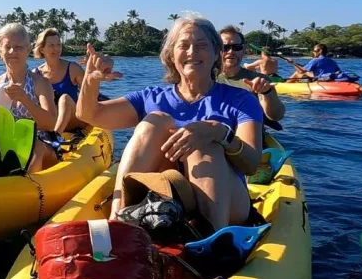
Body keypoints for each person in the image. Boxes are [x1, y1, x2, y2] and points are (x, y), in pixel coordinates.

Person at [75, 14, 263, 231]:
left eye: (201, 45)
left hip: (227, 205)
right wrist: (90, 80)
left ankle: (211, 239)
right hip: (165, 197)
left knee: (205, 146)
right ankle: (119, 224)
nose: (192, 52)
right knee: (155, 121)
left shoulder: (241, 100)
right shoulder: (152, 98)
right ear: (171, 55)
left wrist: (219, 133)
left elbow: (251, 164)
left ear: (215, 54)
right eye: (183, 46)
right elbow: (90, 115)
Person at [0, 23, 58, 173]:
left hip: (39, 142)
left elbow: (51, 124)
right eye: (7, 47)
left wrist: (25, 100)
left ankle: (28, 185)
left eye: (18, 47)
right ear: (0, 52)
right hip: (4, 143)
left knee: (35, 148)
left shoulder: (40, 83)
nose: (13, 51)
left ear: (28, 50)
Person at [216, 26, 285, 124]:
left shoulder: (260, 80)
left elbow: (277, 116)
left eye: (236, 47)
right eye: (225, 48)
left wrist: (267, 93)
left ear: (243, 50)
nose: (231, 52)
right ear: (216, 49)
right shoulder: (205, 78)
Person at [33, 28, 93, 134]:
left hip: (75, 119)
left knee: (64, 99)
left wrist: (90, 71)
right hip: (51, 120)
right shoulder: (36, 74)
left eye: (58, 45)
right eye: (51, 45)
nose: (56, 49)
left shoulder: (73, 68)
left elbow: (90, 93)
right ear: (42, 49)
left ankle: (55, 136)